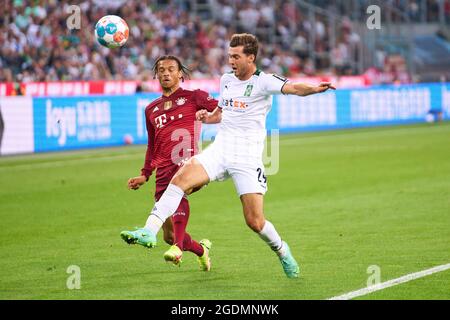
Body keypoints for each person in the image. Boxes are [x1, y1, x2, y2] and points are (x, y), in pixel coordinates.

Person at [129, 34, 335, 278]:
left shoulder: (264, 81)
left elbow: (293, 87)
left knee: (255, 222)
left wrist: (314, 88)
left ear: (251, 57)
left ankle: (282, 250)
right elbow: (221, 112)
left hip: (246, 157)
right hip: (220, 149)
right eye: (229, 56)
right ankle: (148, 230)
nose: (231, 61)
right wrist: (209, 117)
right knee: (179, 181)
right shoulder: (226, 79)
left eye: (236, 57)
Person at [120, 55, 218, 271]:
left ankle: (177, 248)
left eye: (171, 69)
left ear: (180, 74)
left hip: (190, 164)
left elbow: (222, 110)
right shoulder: (151, 109)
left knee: (180, 190)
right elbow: (152, 145)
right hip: (164, 170)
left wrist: (209, 116)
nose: (166, 73)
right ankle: (201, 250)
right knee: (169, 234)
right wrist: (145, 174)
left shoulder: (195, 97)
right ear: (156, 75)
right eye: (161, 69)